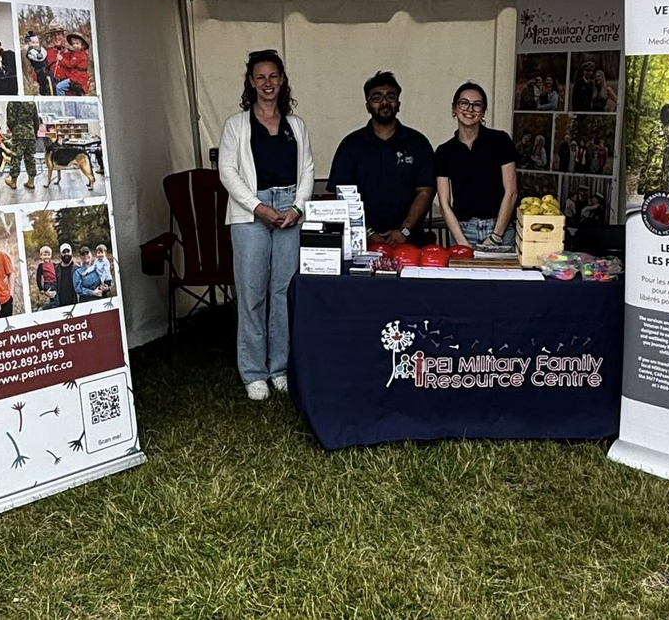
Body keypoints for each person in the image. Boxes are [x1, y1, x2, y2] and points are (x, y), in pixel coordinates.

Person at [219, 50, 315, 401]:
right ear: (250, 82)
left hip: (288, 209)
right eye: (260, 77)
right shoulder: (236, 125)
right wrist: (258, 207)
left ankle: (279, 368)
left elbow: (307, 170)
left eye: (273, 76)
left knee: (282, 293)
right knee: (251, 293)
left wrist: (297, 208)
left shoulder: (297, 125)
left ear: (282, 80)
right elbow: (227, 172)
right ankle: (253, 371)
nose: (267, 83)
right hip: (250, 213)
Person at [328, 71, 433, 247]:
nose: (384, 102)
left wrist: (404, 231)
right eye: (377, 97)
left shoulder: (418, 143)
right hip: (360, 243)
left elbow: (425, 191)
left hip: (410, 243)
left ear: (398, 104)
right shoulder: (350, 145)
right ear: (367, 105)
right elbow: (342, 194)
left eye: (390, 97)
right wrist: (367, 232)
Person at [435, 82, 519, 248]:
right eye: (464, 103)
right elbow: (444, 203)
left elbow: (511, 192)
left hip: (500, 230)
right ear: (454, 108)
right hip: (463, 230)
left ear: (483, 112)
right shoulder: (444, 151)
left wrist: (496, 236)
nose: (469, 109)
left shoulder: (500, 141)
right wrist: (462, 243)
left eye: (477, 105)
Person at [5, 101, 40, 190]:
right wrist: (34, 131)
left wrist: (15, 129)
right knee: (30, 157)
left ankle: (13, 182)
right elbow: (36, 119)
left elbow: (10, 120)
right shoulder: (31, 102)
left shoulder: (13, 102)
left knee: (16, 157)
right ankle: (31, 182)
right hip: (30, 133)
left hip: (18, 133)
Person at [24, 30, 57, 95]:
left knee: (51, 86)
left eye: (37, 42)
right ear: (28, 43)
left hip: (47, 72)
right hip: (39, 74)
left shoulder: (42, 50)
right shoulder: (29, 53)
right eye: (33, 42)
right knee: (44, 88)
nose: (36, 45)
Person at [55, 243, 78, 307]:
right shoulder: (55, 269)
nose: (66, 254)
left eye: (68, 251)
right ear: (60, 254)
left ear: (71, 253)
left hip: (74, 304)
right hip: (59, 305)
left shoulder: (77, 269)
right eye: (64, 252)